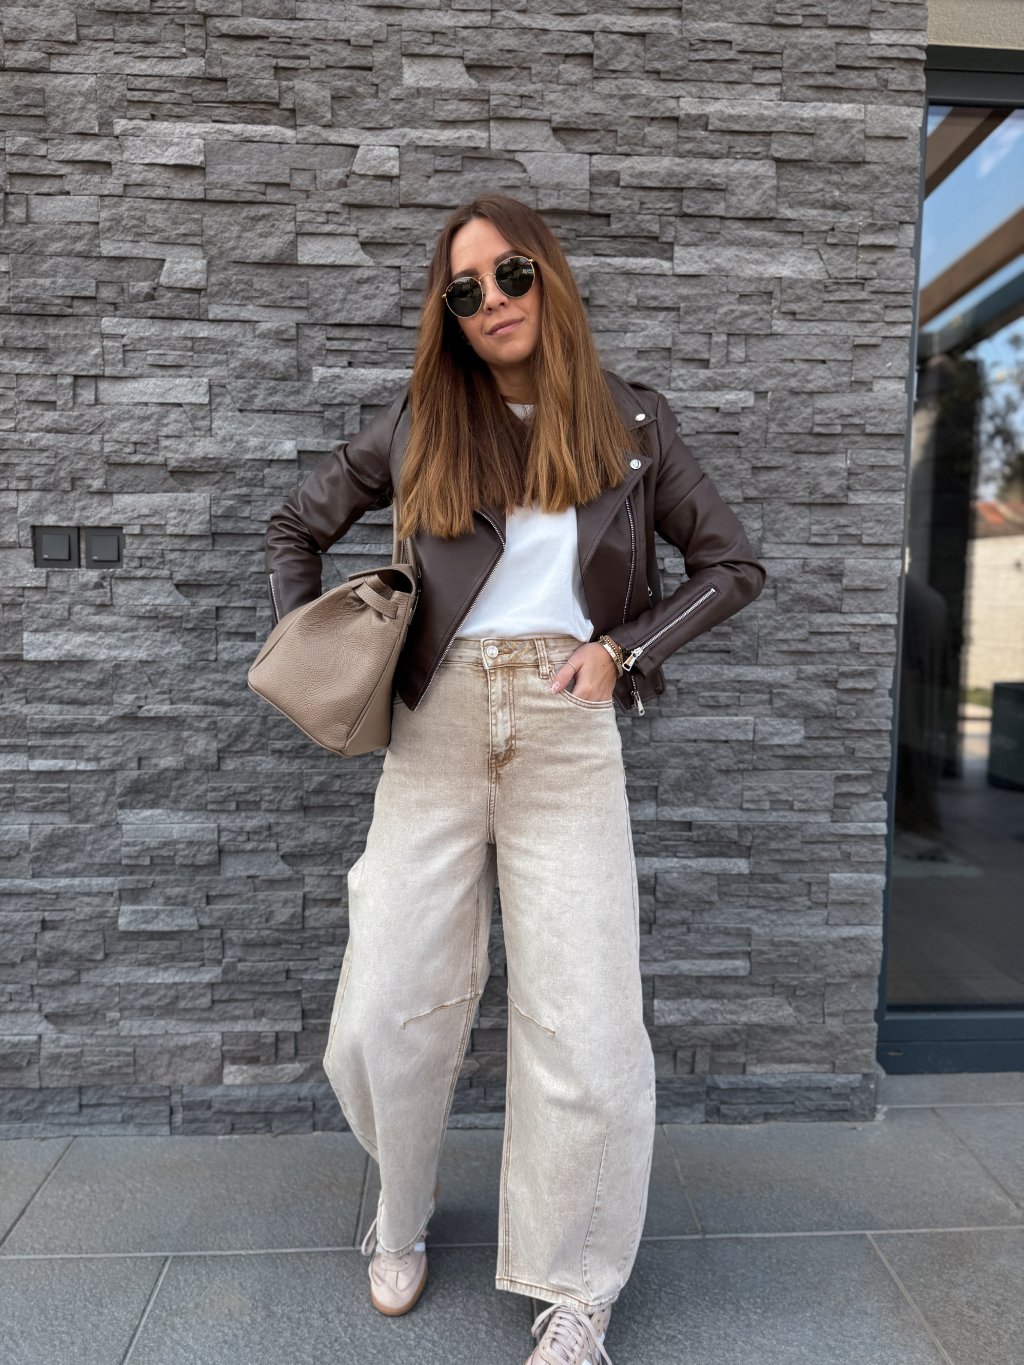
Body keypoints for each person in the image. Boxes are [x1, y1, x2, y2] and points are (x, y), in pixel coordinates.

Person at [263, 193, 766, 1365]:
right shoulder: (422, 420)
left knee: (584, 1022)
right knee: (384, 1005)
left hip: (564, 728)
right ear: (447, 313)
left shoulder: (631, 419)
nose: (491, 300)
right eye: (464, 290)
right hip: (434, 727)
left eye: (510, 275)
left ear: (549, 277)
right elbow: (295, 525)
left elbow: (731, 563)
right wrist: (323, 646)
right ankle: (400, 1210)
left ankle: (577, 1288)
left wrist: (621, 651)